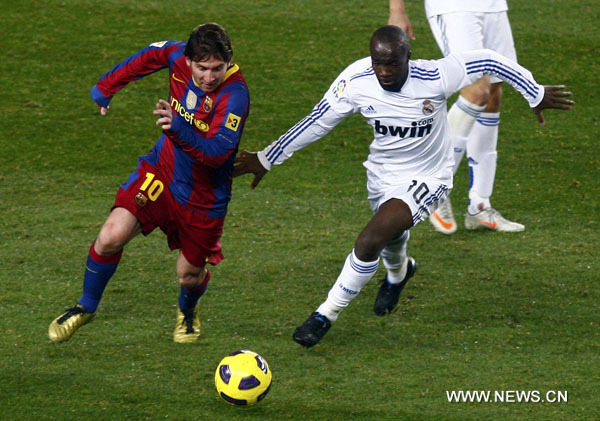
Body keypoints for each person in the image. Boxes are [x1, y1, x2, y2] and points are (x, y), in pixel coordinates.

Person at [233, 25, 573, 347]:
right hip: (382, 174)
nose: (384, 71)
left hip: (429, 176)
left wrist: (535, 92)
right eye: (378, 62)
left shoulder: (435, 76)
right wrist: (266, 158)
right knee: (390, 238)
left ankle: (325, 314)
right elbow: (318, 121)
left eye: (392, 63)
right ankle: (399, 274)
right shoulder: (355, 81)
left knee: (369, 240)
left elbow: (488, 59)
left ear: (407, 57)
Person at [48, 23, 250, 343]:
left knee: (187, 275)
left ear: (229, 62)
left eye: (217, 69)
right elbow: (148, 56)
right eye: (202, 68)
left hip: (203, 196)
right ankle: (85, 306)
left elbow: (218, 153)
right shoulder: (176, 56)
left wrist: (177, 129)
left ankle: (187, 310)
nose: (209, 77)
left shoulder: (235, 95)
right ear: (188, 61)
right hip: (161, 171)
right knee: (110, 236)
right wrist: (107, 88)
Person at [389, 0, 531, 234]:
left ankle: (480, 205)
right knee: (477, 90)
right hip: (454, 9)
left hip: (493, 7)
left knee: (493, 94)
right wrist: (397, 9)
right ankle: (433, 181)